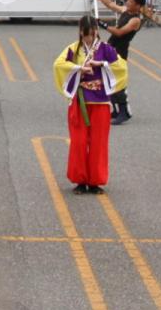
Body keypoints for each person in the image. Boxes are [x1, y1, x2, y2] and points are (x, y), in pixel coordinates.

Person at [53, 16, 128, 194]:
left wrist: (101, 64)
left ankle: (95, 181)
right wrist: (79, 69)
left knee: (98, 142)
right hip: (80, 100)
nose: (90, 38)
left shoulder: (106, 49)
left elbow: (121, 67)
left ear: (97, 31)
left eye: (93, 34)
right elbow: (59, 65)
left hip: (100, 101)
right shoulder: (73, 49)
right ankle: (80, 180)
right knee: (79, 142)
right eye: (86, 35)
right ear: (81, 33)